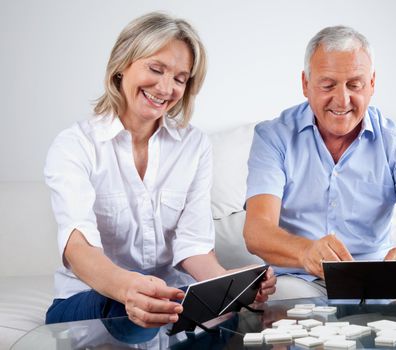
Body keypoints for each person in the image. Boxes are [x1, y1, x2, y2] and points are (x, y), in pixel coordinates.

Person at [44, 12, 275, 328]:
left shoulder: (193, 145)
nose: (166, 88)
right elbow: (77, 247)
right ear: (122, 65)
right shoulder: (74, 145)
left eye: (180, 78)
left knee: (224, 318)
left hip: (170, 298)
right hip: (94, 297)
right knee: (126, 314)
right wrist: (129, 289)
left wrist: (226, 285)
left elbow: (193, 246)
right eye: (156, 69)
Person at [243, 26, 396, 300]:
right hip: (299, 279)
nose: (342, 100)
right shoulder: (274, 136)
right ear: (306, 84)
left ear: (372, 84)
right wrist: (305, 251)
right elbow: (257, 231)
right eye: (328, 85)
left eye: (354, 85)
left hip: (377, 281)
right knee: (284, 301)